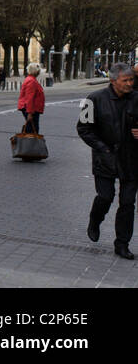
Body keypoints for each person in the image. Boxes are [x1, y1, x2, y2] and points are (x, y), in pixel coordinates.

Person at [77, 62, 138, 259]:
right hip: (105, 158)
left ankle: (122, 243)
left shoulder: (136, 98)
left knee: (128, 204)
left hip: (131, 159)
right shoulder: (94, 99)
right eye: (125, 80)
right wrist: (102, 148)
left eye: (131, 79)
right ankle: (95, 220)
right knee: (105, 197)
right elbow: (83, 129)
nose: (130, 83)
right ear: (113, 81)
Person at [18, 63, 46, 134]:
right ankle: (28, 144)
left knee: (31, 128)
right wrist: (29, 113)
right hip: (31, 109)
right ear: (35, 71)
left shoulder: (31, 79)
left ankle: (27, 143)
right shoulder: (32, 81)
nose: (39, 72)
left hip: (32, 109)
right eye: (38, 70)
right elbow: (29, 98)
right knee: (33, 130)